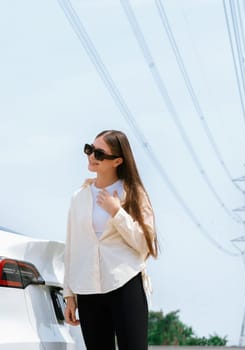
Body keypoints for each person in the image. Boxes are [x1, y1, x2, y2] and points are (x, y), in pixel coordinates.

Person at [63, 129, 158, 350]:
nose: (91, 157)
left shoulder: (134, 193)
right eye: (89, 150)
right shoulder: (79, 197)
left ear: (117, 160)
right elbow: (72, 249)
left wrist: (117, 213)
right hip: (87, 289)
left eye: (98, 153)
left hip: (124, 282)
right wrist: (69, 295)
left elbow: (146, 245)